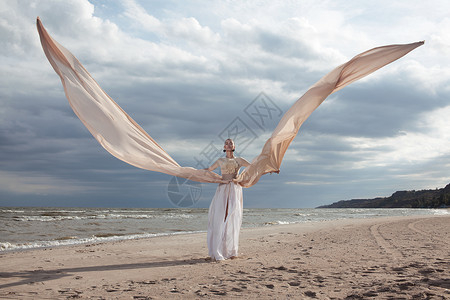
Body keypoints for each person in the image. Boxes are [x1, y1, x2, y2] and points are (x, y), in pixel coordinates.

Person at [204, 139, 250, 261]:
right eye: (226, 142)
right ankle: (218, 250)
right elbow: (208, 170)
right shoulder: (220, 161)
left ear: (234, 146)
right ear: (224, 146)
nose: (229, 144)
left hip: (235, 188)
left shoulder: (239, 160)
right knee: (221, 216)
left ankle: (231, 250)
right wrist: (190, 173)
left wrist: (269, 168)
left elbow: (254, 167)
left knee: (233, 217)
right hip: (223, 188)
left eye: (231, 142)